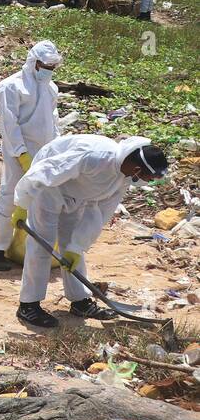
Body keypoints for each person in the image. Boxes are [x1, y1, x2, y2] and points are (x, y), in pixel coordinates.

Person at [13, 136, 168, 328]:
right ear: (137, 169)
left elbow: (99, 213)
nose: (148, 182)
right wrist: (22, 202)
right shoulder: (95, 157)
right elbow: (47, 171)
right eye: (148, 178)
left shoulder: (124, 178)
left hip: (79, 195)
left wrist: (76, 247)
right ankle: (29, 305)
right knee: (42, 244)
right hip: (48, 188)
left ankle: (80, 302)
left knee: (72, 247)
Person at [0, 41, 62, 270]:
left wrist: (54, 150)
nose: (48, 70)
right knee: (10, 195)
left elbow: (53, 121)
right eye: (45, 65)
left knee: (41, 200)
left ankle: (26, 248)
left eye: (52, 66)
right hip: (18, 151)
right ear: (33, 62)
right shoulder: (11, 86)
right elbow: (9, 124)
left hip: (44, 152)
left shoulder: (51, 88)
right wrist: (21, 153)